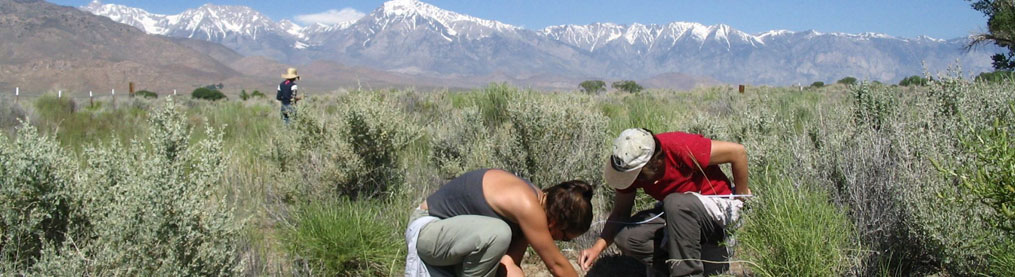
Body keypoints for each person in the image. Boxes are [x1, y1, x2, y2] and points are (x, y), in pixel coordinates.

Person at [578, 128, 750, 277]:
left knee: (675, 203)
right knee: (627, 236)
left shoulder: (679, 146)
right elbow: (620, 213)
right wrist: (596, 249)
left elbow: (738, 152)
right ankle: (667, 270)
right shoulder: (630, 166)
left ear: (655, 163)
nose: (632, 180)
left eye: (636, 175)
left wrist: (741, 199)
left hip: (716, 211)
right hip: (679, 216)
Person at [405, 168, 593, 277]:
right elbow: (556, 264)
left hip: (448, 245)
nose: (560, 242)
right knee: (498, 233)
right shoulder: (527, 205)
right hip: (427, 230)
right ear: (556, 223)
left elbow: (510, 266)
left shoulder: (531, 213)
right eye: (566, 238)